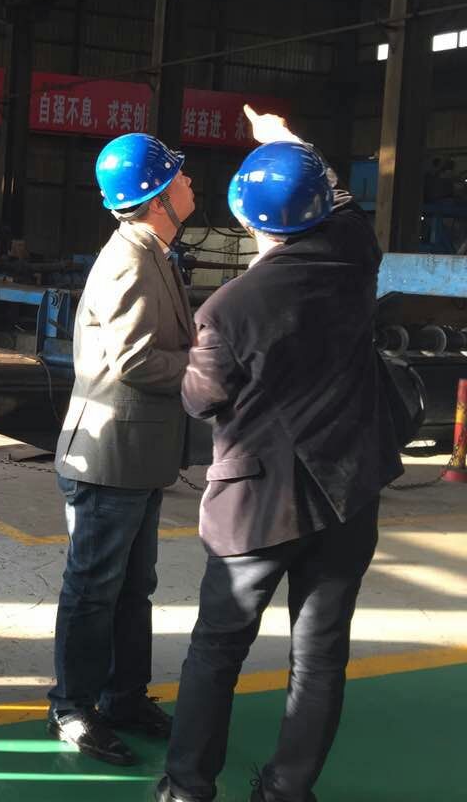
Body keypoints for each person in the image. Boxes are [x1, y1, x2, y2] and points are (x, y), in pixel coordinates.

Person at [157, 140, 403, 802]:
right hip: (348, 495)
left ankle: (188, 786)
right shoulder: (354, 255)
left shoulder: (227, 310)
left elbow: (200, 401)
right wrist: (293, 141)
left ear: (244, 218)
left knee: (217, 651)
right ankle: (287, 789)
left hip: (258, 510)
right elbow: (344, 206)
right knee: (319, 658)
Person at [48, 132, 196, 765]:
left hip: (138, 456)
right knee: (94, 588)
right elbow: (135, 360)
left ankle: (123, 697)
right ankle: (72, 708)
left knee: (134, 588)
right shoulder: (130, 260)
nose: (190, 183)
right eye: (180, 177)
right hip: (111, 457)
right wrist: (207, 368)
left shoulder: (153, 250)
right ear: (158, 197)